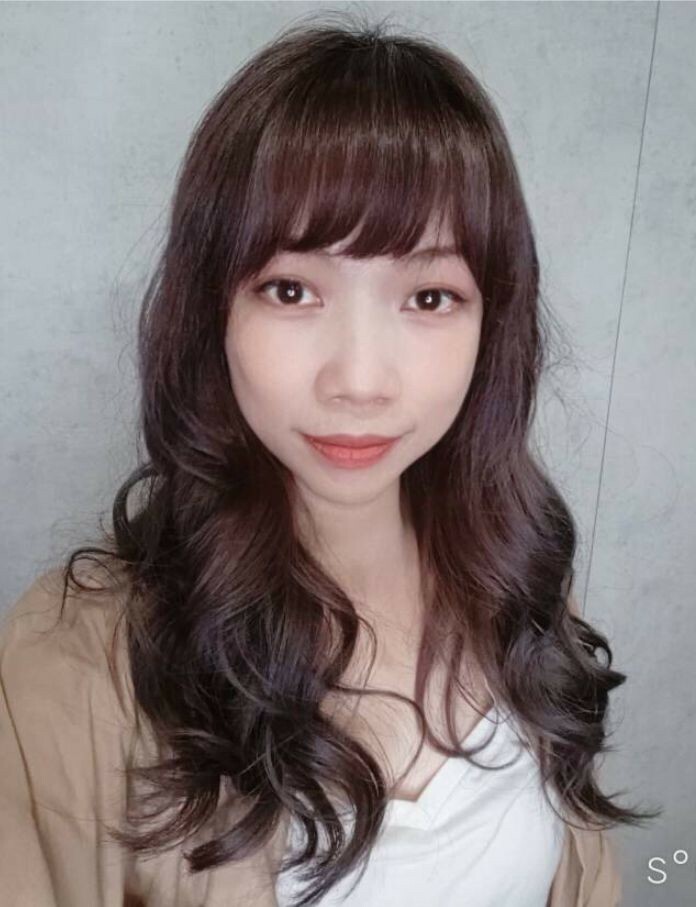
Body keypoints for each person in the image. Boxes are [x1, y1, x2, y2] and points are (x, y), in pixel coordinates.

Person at [0, 11, 659, 906]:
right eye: (291, 289)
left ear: (491, 323)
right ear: (212, 309)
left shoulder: (524, 587)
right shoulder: (72, 669)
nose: (359, 380)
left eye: (429, 296)